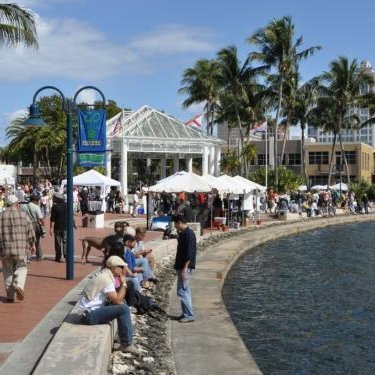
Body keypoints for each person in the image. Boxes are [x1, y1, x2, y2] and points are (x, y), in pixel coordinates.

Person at [78, 255, 139, 355]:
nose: (123, 270)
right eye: (121, 267)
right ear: (114, 268)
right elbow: (118, 300)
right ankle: (126, 344)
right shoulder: (107, 279)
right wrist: (124, 284)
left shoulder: (104, 274)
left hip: (89, 311)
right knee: (123, 308)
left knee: (121, 306)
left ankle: (125, 337)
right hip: (88, 316)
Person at [0, 195, 36, 302]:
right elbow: (31, 231)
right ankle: (18, 284)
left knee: (7, 271)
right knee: (22, 267)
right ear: (17, 204)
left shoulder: (1, 216)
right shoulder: (23, 215)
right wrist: (32, 244)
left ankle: (10, 296)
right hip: (21, 248)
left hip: (5, 249)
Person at [172, 214, 196, 323]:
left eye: (175, 223)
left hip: (184, 267)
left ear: (179, 222)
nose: (175, 226)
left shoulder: (189, 234)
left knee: (182, 291)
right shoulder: (183, 234)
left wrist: (185, 268)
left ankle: (189, 314)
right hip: (181, 266)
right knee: (185, 291)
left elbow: (190, 253)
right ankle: (185, 313)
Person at [21, 194, 45, 261]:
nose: (38, 201)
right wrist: (43, 225)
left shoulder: (23, 206)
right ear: (35, 200)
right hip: (34, 224)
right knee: (36, 241)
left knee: (26, 241)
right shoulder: (36, 207)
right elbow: (40, 218)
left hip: (25, 224)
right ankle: (39, 256)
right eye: (37, 200)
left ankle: (27, 257)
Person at [50, 193, 67, 262]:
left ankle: (58, 257)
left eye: (53, 198)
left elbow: (52, 219)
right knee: (65, 242)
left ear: (57, 199)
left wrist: (51, 228)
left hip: (57, 227)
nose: (53, 199)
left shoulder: (54, 207)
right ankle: (66, 256)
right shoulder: (67, 205)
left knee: (58, 243)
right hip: (66, 226)